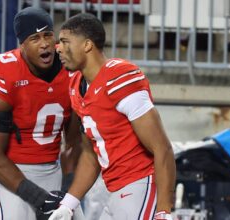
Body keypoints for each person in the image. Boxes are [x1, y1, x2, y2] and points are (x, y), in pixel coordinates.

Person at [51, 13, 177, 220]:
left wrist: (164, 209)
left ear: (87, 45)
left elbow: (162, 147)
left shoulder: (119, 78)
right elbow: (92, 155)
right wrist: (68, 203)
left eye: (65, 42)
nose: (59, 48)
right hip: (115, 188)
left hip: (139, 184)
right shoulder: (76, 85)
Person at [0, 6, 84, 220]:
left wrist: (66, 189)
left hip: (54, 170)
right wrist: (38, 198)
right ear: (22, 44)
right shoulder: (4, 71)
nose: (44, 43)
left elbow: (74, 143)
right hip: (12, 175)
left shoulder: (71, 69)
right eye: (35, 38)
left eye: (47, 35)